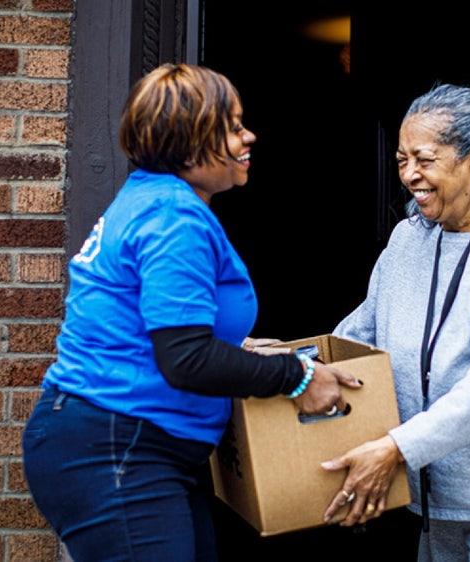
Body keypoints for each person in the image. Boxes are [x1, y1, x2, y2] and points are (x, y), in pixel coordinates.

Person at [21, 63, 361, 562]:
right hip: (118, 446)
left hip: (135, 446)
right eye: (232, 126)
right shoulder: (171, 216)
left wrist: (237, 349)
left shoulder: (152, 199)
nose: (249, 136)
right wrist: (298, 377)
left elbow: (152, 328)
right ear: (185, 142)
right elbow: (183, 358)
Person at [320, 83, 470, 561]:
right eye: (402, 160)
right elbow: (361, 332)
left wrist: (397, 448)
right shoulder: (407, 239)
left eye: (423, 159)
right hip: (428, 501)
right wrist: (293, 363)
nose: (409, 175)